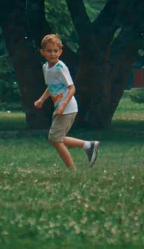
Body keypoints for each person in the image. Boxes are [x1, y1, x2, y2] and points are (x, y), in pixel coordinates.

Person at [34, 34, 99, 169]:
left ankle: (72, 170)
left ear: (60, 52)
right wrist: (41, 99)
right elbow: (50, 87)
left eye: (55, 51)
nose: (52, 54)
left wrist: (63, 105)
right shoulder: (46, 67)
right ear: (42, 52)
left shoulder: (60, 67)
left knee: (55, 139)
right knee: (58, 138)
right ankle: (88, 145)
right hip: (60, 107)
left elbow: (72, 88)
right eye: (49, 51)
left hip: (67, 107)